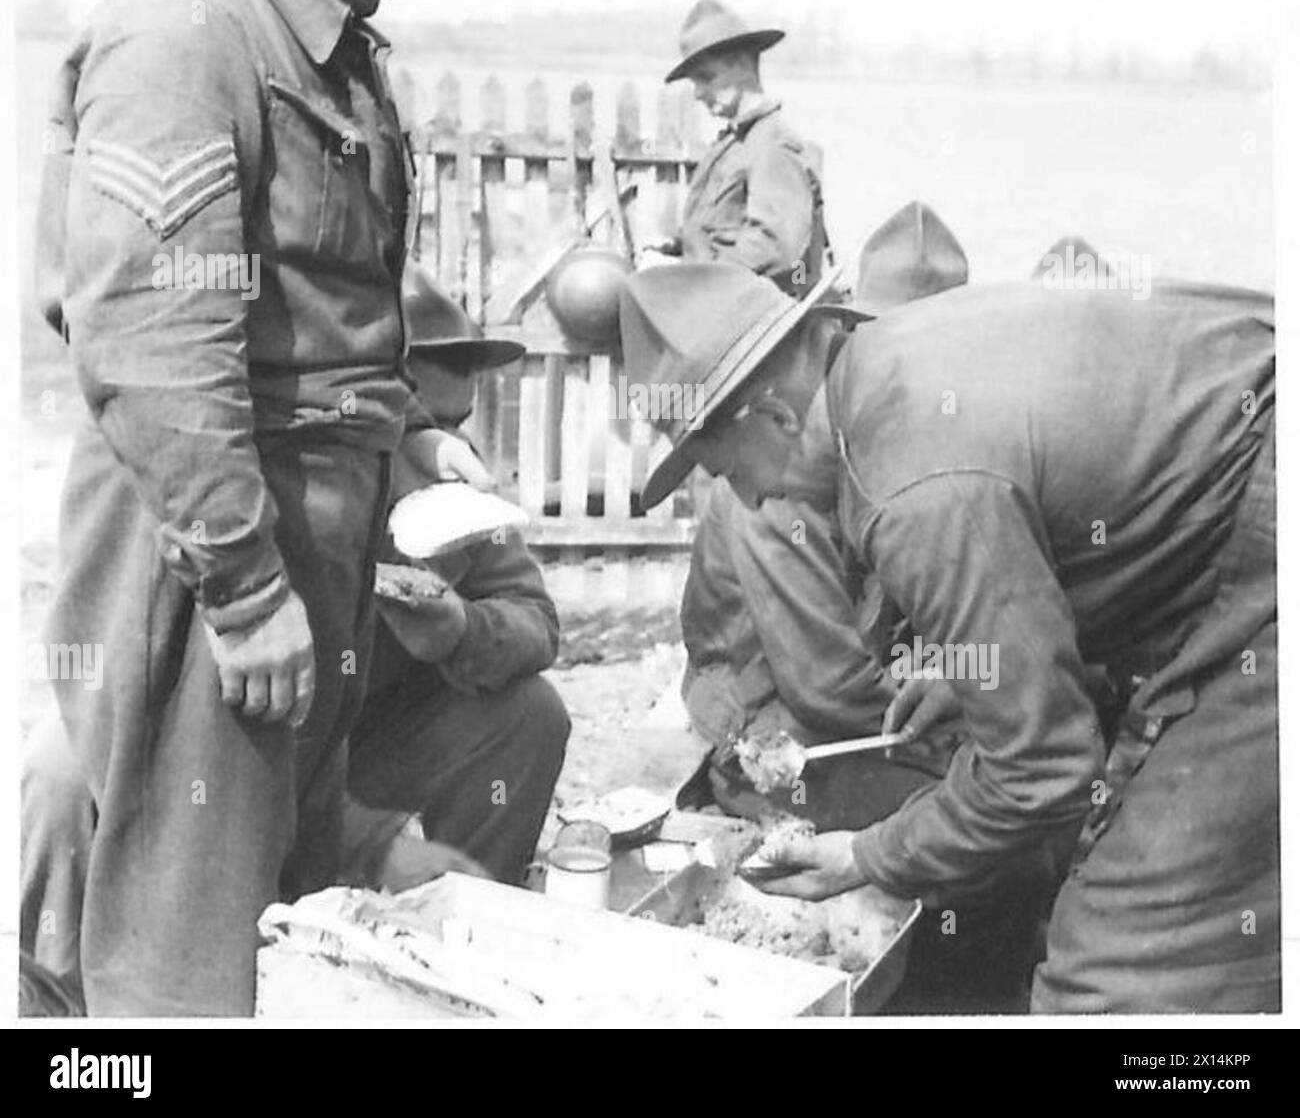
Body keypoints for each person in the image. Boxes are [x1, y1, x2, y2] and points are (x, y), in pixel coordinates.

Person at [25, 0, 526, 1016]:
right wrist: (248, 596)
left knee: (273, 920)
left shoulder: (326, 55)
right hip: (210, 568)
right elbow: (153, 346)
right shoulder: (185, 34)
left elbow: (322, 320)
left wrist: (408, 434)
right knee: (184, 955)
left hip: (308, 563)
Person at [619, 261, 1277, 1013]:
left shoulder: (906, 482)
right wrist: (970, 668)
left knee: (1112, 978)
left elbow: (1042, 771)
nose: (751, 498)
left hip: (1265, 535)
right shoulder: (893, 368)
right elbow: (1092, 508)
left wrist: (865, 854)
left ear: (775, 416)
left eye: (730, 472)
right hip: (1243, 497)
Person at [681, 202, 969, 827]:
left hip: (862, 712)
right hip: (780, 738)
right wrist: (966, 730)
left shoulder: (879, 438)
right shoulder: (784, 471)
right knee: (979, 816)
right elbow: (828, 688)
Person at [339, 268, 570, 889]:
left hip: (375, 737)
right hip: (268, 753)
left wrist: (463, 632)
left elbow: (536, 619)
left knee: (530, 714)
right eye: (417, 427)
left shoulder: (455, 484)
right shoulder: (309, 476)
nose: (445, 451)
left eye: (454, 424)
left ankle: (470, 910)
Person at [655, 0, 830, 296]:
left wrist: (689, 275)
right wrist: (676, 248)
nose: (697, 93)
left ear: (742, 65)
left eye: (706, 78)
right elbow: (720, 228)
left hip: (756, 309)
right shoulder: (734, 143)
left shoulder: (773, 145)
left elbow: (775, 247)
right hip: (721, 297)